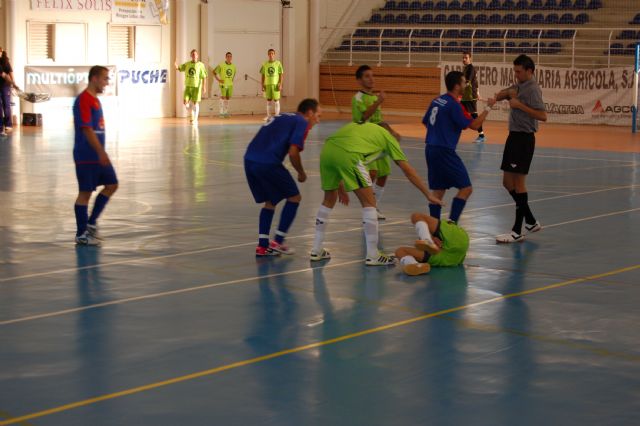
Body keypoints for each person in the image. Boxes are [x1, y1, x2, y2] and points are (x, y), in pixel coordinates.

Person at [310, 122, 443, 266]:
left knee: (328, 200)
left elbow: (340, 153)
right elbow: (408, 171)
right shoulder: (389, 138)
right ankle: (373, 255)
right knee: (369, 204)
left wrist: (340, 186)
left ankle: (316, 249)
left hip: (327, 151)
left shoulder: (365, 130)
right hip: (349, 155)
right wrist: (427, 194)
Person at [244, 99, 321, 256]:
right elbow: (293, 152)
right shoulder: (301, 121)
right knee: (294, 197)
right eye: (318, 116)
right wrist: (301, 172)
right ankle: (278, 241)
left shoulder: (285, 116)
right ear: (310, 113)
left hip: (249, 160)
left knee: (270, 202)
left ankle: (262, 246)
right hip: (268, 162)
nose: (318, 121)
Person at [423, 71, 495, 223]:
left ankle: (434, 232)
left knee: (438, 191)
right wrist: (488, 107)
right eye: (463, 82)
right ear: (457, 86)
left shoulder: (437, 100)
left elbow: (426, 122)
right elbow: (475, 125)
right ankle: (452, 223)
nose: (465, 85)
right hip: (444, 151)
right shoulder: (455, 105)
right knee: (466, 188)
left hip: (430, 149)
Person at [490, 54, 546, 243]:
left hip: (524, 139)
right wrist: (498, 97)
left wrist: (519, 105)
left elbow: (542, 115)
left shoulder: (533, 89)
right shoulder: (520, 85)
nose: (516, 75)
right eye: (514, 71)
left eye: (519, 71)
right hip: (513, 137)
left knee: (519, 185)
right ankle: (530, 220)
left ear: (529, 71)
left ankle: (517, 231)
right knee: (507, 183)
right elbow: (510, 91)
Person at [72, 66, 118, 246]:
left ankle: (91, 223)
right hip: (87, 155)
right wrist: (100, 151)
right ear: (94, 78)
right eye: (105, 79)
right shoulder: (83, 100)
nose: (107, 82)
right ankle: (81, 234)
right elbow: (86, 128)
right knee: (85, 193)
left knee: (112, 184)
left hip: (98, 155)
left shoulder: (95, 100)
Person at [352, 64, 401, 221]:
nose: (371, 78)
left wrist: (391, 132)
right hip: (365, 142)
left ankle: (374, 206)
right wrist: (378, 102)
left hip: (379, 141)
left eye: (372, 75)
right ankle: (368, 206)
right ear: (359, 80)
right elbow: (363, 117)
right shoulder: (358, 98)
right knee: (371, 173)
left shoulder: (374, 98)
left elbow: (379, 121)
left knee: (383, 175)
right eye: (367, 76)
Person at [395, 212, 469, 276]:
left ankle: (414, 263)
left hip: (444, 258)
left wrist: (433, 238)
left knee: (399, 251)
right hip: (456, 256)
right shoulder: (453, 233)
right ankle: (426, 242)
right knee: (416, 216)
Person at [175, 49, 208, 124]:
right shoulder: (187, 64)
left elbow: (204, 76)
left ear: (197, 55)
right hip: (188, 86)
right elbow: (179, 68)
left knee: (195, 103)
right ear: (191, 56)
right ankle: (192, 113)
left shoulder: (201, 65)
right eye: (192, 54)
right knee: (185, 103)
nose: (194, 55)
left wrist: (204, 86)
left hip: (196, 87)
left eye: (195, 54)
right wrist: (176, 65)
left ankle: (195, 119)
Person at [461, 52, 486, 143]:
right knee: (458, 110)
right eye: (463, 58)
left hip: (470, 96)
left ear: (470, 59)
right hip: (466, 96)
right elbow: (476, 82)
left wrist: (459, 90)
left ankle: (481, 135)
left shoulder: (470, 69)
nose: (464, 59)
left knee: (474, 115)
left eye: (466, 58)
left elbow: (468, 82)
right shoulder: (466, 68)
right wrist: (478, 93)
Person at [259, 49, 284, 120]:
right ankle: (269, 116)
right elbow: (263, 75)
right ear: (268, 55)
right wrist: (262, 85)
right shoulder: (265, 64)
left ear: (274, 54)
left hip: (276, 85)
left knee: (276, 100)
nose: (271, 55)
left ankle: (277, 116)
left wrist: (280, 84)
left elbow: (281, 75)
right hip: (267, 84)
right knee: (268, 100)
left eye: (272, 53)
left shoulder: (278, 63)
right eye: (269, 53)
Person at [213, 52, 237, 118]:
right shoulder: (221, 65)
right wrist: (218, 80)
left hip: (230, 84)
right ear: (226, 57)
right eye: (228, 56)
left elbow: (234, 73)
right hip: (223, 84)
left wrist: (231, 80)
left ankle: (225, 112)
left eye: (230, 56)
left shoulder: (233, 66)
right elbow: (214, 72)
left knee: (228, 98)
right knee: (223, 97)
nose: (229, 58)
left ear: (231, 58)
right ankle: (221, 113)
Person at [0, 47, 17, 136]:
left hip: (5, 86)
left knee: (6, 105)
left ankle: (8, 125)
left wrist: (13, 84)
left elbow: (9, 74)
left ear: (1, 52)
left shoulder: (6, 62)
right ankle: (0, 127)